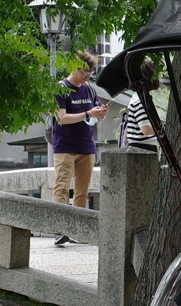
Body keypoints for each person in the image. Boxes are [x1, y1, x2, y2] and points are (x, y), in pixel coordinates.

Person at [51, 51, 108, 213]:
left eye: (90, 72)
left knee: (82, 191)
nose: (87, 76)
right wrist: (87, 114)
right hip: (65, 146)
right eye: (84, 72)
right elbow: (61, 118)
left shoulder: (89, 89)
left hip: (86, 146)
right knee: (61, 188)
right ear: (73, 68)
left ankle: (77, 229)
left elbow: (96, 117)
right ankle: (59, 228)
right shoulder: (60, 89)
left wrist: (101, 113)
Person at [120, 68, 160, 152]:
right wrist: (162, 128)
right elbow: (146, 129)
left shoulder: (140, 96)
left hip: (141, 146)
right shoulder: (140, 100)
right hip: (143, 148)